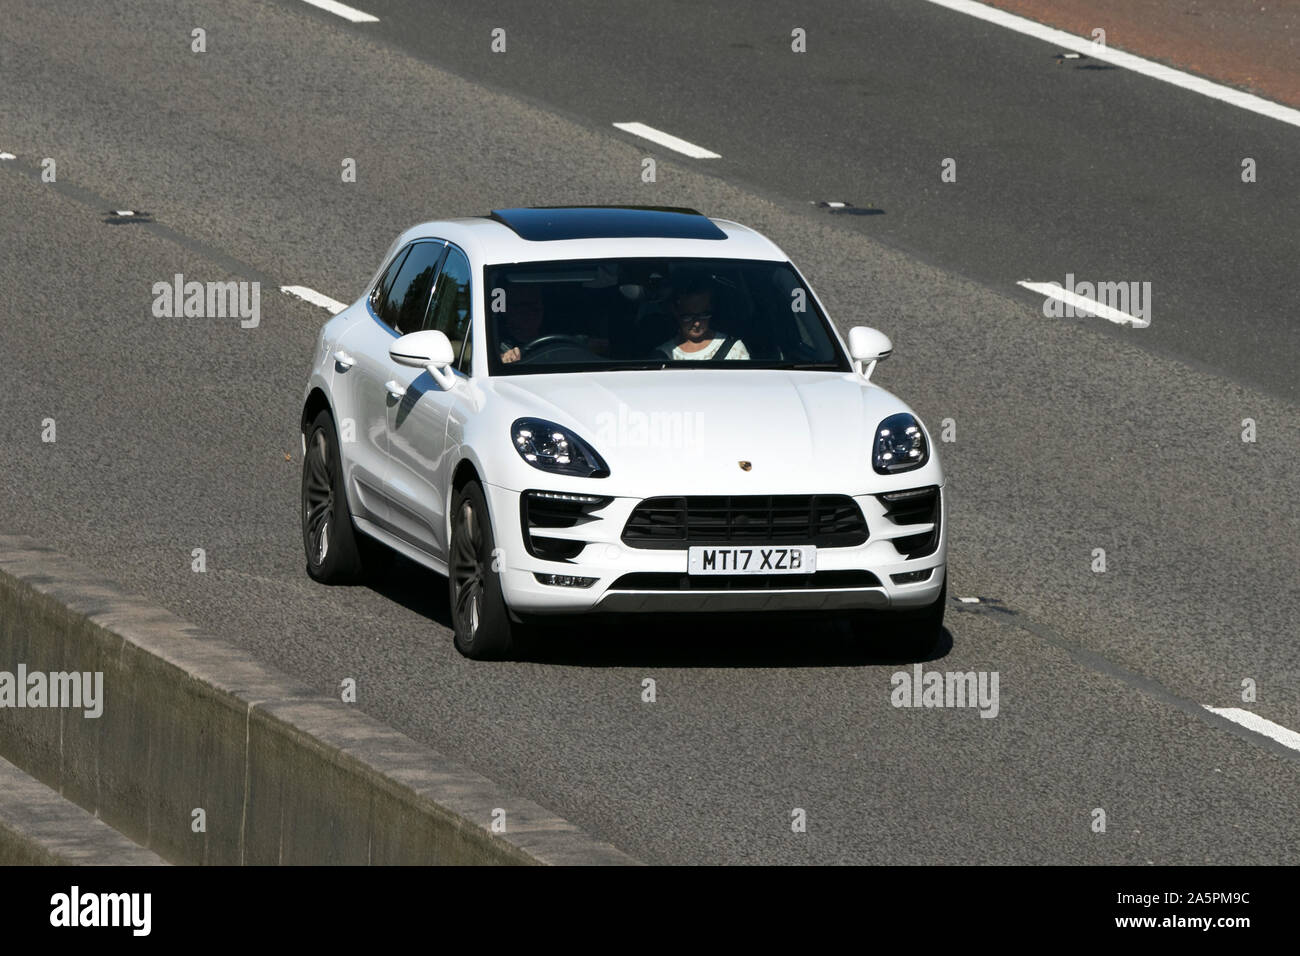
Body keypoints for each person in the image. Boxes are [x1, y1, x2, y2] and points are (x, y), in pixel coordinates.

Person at [657, 285, 749, 361]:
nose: (697, 323)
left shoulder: (734, 350)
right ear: (675, 312)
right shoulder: (663, 355)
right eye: (688, 316)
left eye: (704, 315)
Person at [498, 284, 545, 363]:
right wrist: (503, 361)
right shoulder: (491, 347)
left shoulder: (558, 346)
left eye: (535, 306)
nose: (531, 313)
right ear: (507, 310)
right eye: (523, 305)